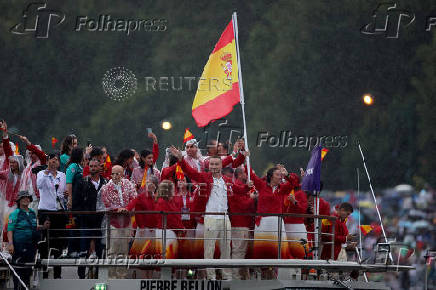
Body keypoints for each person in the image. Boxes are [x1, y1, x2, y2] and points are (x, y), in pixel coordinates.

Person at [170, 146, 250, 280]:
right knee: (209, 249)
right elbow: (189, 171)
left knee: (226, 249)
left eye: (216, 164)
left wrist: (248, 186)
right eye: (211, 164)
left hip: (225, 218)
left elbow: (240, 190)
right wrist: (180, 158)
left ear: (221, 166)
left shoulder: (227, 180)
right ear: (208, 166)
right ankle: (211, 277)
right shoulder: (204, 177)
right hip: (210, 217)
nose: (213, 166)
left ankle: (227, 275)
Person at [101, 165, 137, 279]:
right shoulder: (106, 187)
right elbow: (105, 204)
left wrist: (127, 208)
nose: (115, 176)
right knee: (112, 249)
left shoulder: (128, 184)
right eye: (113, 173)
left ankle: (122, 275)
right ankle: (111, 276)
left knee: (124, 249)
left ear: (122, 174)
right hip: (113, 222)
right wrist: (117, 209)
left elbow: (134, 197)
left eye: (118, 174)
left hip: (126, 221)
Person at [74, 159, 107, 279]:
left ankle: (98, 276)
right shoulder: (82, 182)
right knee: (83, 251)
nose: (92, 168)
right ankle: (81, 278)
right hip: (85, 222)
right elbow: (76, 203)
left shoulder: (106, 183)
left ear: (100, 167)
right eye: (91, 166)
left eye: (95, 166)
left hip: (101, 222)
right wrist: (80, 217)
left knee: (100, 251)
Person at [36, 153, 67, 279]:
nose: (54, 162)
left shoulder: (62, 175)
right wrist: (47, 171)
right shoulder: (41, 173)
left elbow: (63, 192)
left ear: (59, 163)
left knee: (58, 245)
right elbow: (39, 185)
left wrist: (65, 195)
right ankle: (44, 275)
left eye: (56, 160)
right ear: (48, 161)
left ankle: (57, 275)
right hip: (45, 212)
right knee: (45, 244)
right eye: (52, 160)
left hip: (59, 212)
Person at [7, 191, 41, 290]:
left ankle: (26, 287)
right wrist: (10, 244)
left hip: (31, 246)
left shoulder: (32, 213)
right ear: (19, 200)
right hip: (19, 245)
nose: (26, 199)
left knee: (28, 269)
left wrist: (43, 227)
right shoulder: (15, 213)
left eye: (27, 198)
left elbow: (34, 227)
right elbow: (10, 230)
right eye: (23, 198)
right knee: (18, 268)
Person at [229, 166, 257, 280]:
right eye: (246, 173)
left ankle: (242, 275)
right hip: (240, 224)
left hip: (244, 224)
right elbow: (242, 205)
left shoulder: (240, 187)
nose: (248, 175)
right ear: (240, 175)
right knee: (238, 251)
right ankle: (235, 277)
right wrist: (252, 198)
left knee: (242, 252)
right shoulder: (236, 187)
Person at [281, 169, 308, 259]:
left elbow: (303, 209)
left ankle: (300, 272)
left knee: (299, 252)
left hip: (296, 225)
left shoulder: (301, 193)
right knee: (286, 252)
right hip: (285, 226)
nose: (286, 181)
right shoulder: (284, 192)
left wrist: (294, 202)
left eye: (288, 179)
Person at [18, 135, 47, 212]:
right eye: (29, 153)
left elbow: (42, 155)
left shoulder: (41, 163)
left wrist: (27, 142)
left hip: (37, 198)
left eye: (33, 153)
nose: (31, 155)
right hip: (26, 197)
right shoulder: (27, 167)